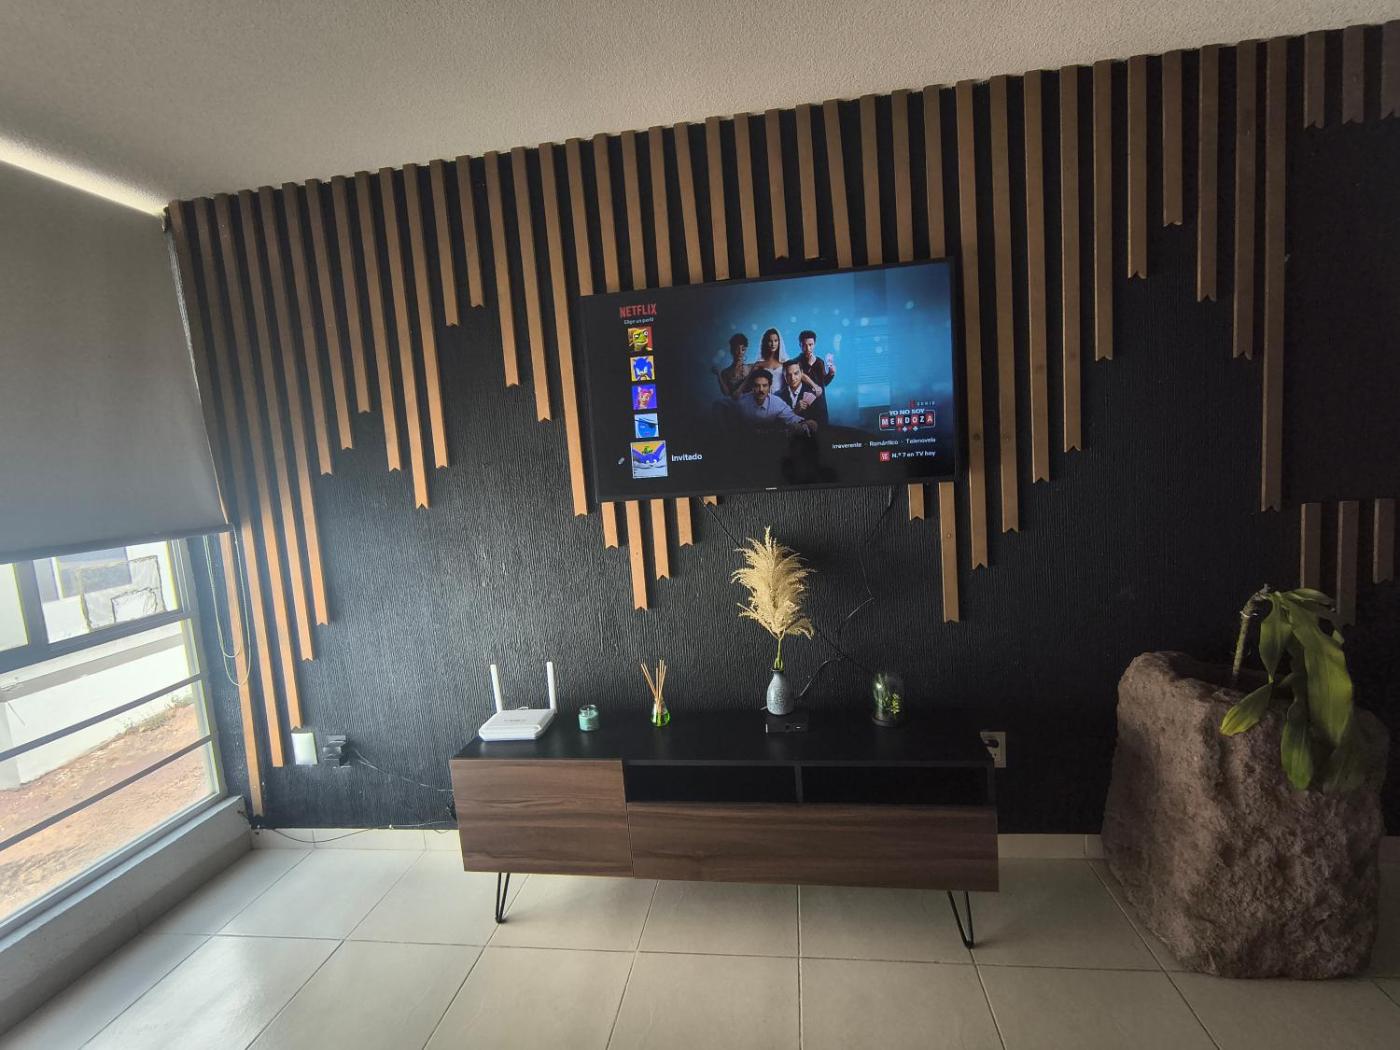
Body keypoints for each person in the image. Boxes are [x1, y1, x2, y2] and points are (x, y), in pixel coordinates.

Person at [734, 371, 816, 435]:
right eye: (757, 386)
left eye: (764, 385)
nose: (761, 390)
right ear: (752, 387)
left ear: (770, 387)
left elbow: (791, 417)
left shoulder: (777, 403)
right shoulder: (741, 403)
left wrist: (806, 423)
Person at [776, 360, 827, 426]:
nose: (792, 378)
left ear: (802, 373)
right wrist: (794, 412)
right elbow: (775, 423)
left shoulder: (813, 394)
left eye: (796, 373)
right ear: (784, 376)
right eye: (788, 375)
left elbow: (822, 421)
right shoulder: (777, 396)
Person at [713, 333, 752, 398]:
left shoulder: (751, 368)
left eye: (743, 349)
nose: (740, 352)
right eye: (737, 349)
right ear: (732, 350)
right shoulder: (725, 372)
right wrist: (719, 375)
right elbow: (726, 393)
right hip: (734, 403)